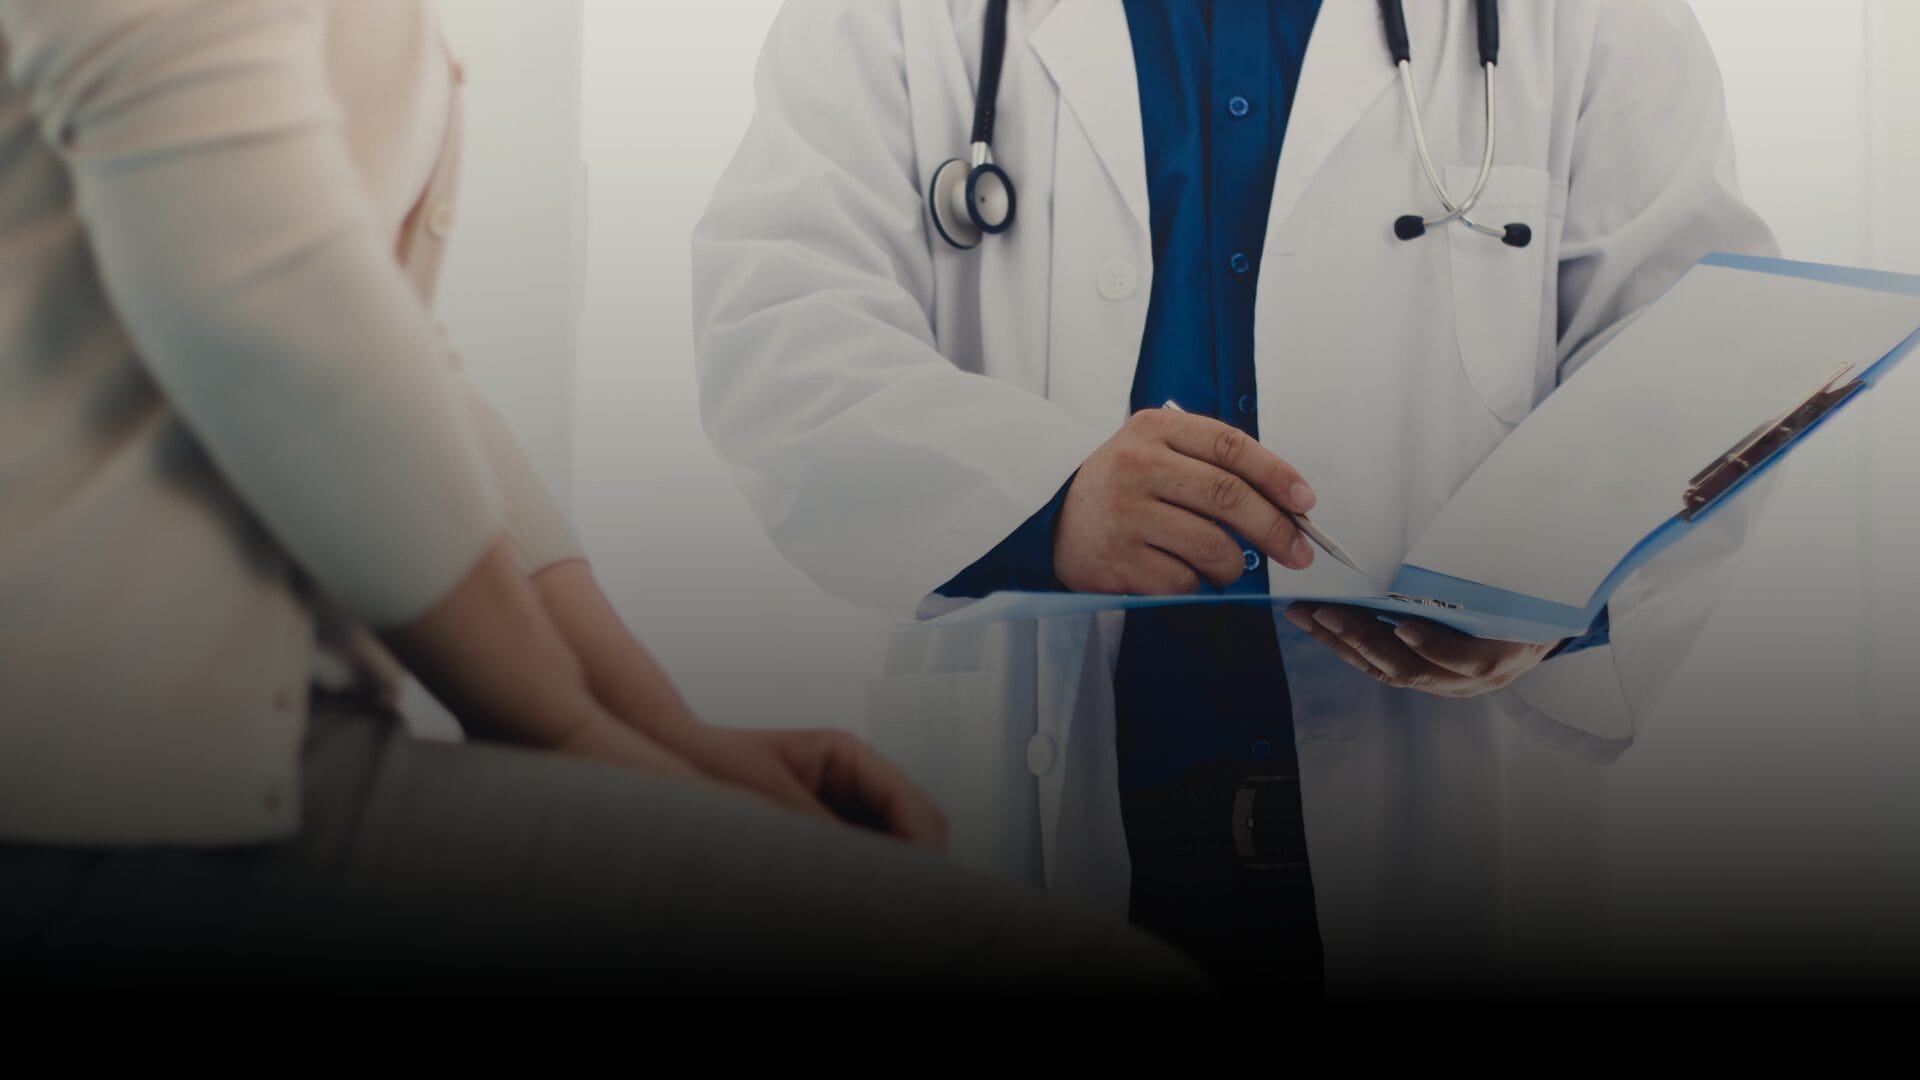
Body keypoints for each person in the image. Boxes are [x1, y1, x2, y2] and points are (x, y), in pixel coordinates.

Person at [0, 0, 1204, 998]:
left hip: (234, 761)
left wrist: (655, 731)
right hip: (129, 791)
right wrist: (566, 730)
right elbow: (275, 319)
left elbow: (397, 363)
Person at [693, 0, 1778, 998]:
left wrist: (1559, 576)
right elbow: (781, 329)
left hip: (1445, 824)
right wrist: (1045, 500)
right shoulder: (897, 19)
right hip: (1045, 815)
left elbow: (1702, 345)